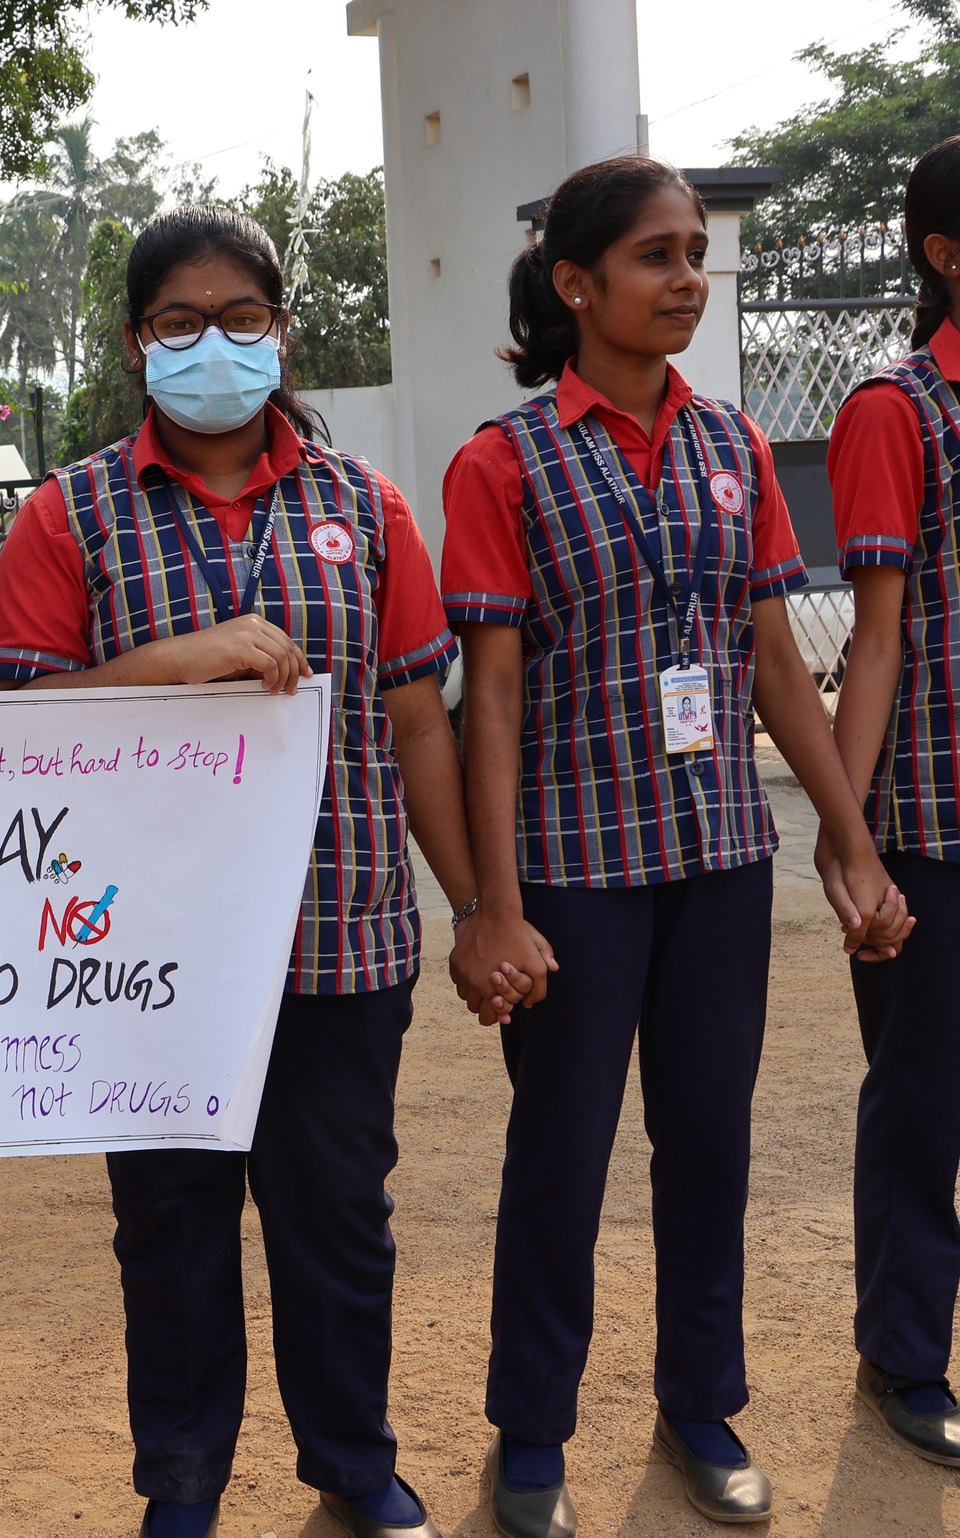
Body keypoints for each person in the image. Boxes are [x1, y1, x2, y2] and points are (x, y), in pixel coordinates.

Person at [0, 204, 554, 1538]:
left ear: (281, 332)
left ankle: (353, 1458)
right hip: (147, 967)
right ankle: (181, 1483)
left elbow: (419, 723)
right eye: (180, 322)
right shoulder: (74, 519)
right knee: (171, 1232)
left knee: (340, 1222)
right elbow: (19, 734)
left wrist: (475, 908)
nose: (213, 345)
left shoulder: (366, 508)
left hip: (340, 942)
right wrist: (171, 663)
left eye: (241, 318)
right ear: (137, 346)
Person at [442, 156, 912, 1538]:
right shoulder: (502, 460)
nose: (687, 279)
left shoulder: (735, 448)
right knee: (563, 1155)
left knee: (706, 1143)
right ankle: (532, 1428)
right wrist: (494, 905)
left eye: (696, 253)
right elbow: (497, 696)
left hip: (715, 859)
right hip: (577, 876)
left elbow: (771, 661)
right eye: (656, 256)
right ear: (576, 285)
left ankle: (702, 1403)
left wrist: (848, 836)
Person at [824, 131, 960, 1469]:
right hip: (937, 813)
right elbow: (873, 640)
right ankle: (907, 1354)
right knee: (926, 1098)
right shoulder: (895, 411)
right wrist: (852, 836)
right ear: (946, 254)